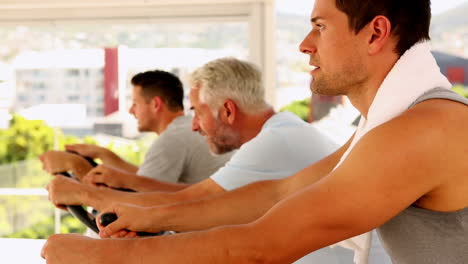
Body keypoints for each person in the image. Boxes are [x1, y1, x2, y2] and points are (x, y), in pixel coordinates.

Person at [42, 0, 468, 261]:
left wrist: (108, 259)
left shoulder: (423, 130)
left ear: (375, 32)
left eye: (320, 25)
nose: (305, 43)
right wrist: (149, 216)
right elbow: (277, 195)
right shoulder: (393, 124)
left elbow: (261, 247)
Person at [40, 70, 233, 192]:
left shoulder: (172, 141)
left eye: (135, 103)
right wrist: (103, 154)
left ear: (156, 104)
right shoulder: (182, 130)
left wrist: (76, 166)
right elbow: (146, 181)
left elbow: (136, 201)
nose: (131, 111)